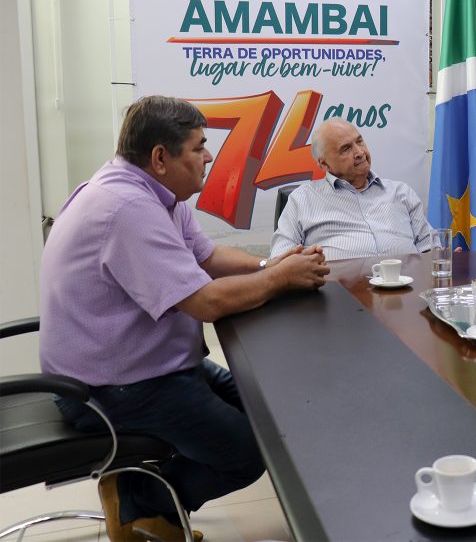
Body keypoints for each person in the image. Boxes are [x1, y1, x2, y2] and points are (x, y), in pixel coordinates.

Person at [39, 96, 331, 541]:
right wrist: (280, 280)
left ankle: (147, 494)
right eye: (199, 147)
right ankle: (140, 501)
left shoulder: (156, 194)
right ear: (160, 157)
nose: (209, 156)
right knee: (248, 451)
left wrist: (268, 267)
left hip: (149, 365)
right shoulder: (126, 209)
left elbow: (208, 257)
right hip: (112, 387)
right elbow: (205, 303)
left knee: (270, 409)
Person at [270, 118, 433, 261]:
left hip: (407, 289)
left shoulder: (401, 192)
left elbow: (431, 249)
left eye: (360, 141)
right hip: (338, 292)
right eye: (346, 149)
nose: (360, 152)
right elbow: (279, 260)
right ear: (324, 164)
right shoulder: (302, 199)